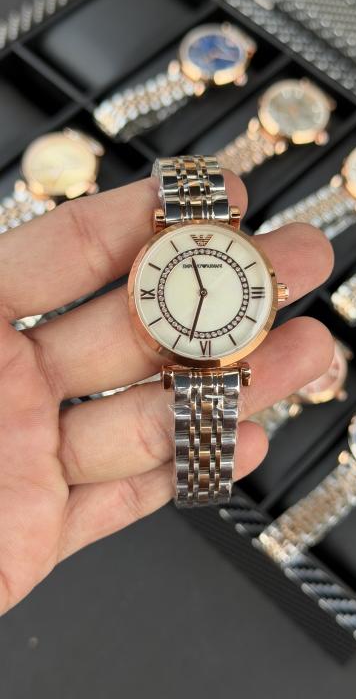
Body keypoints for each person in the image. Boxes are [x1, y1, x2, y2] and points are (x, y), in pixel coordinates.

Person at [0, 170, 334, 614]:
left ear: (276, 291)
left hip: (212, 358)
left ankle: (203, 477)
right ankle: (203, 478)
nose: (203, 290)